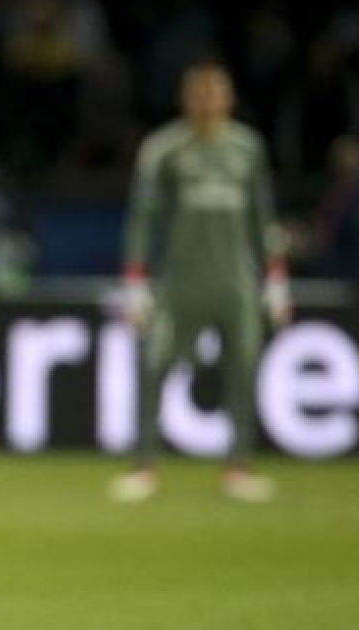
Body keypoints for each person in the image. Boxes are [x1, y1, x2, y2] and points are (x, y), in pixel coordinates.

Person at [111, 59, 291, 503]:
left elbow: (263, 216)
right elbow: (143, 218)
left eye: (216, 92)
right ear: (186, 98)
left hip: (237, 283)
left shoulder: (247, 148)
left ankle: (238, 468)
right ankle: (145, 466)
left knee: (243, 371)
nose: (208, 101)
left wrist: (276, 280)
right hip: (179, 283)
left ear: (229, 98)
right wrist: (135, 282)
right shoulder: (164, 149)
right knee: (155, 367)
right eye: (200, 92)